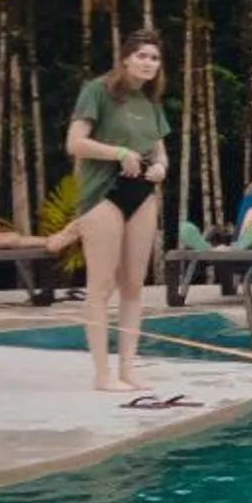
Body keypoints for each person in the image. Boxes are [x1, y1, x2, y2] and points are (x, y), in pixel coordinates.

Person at [67, 30, 178, 400]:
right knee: (101, 284)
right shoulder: (98, 91)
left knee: (133, 283)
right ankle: (102, 372)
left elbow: (160, 152)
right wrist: (118, 153)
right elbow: (75, 143)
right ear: (126, 58)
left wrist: (160, 167)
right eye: (142, 56)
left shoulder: (150, 102)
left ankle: (128, 367)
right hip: (104, 193)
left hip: (142, 193)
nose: (149, 63)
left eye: (155, 58)